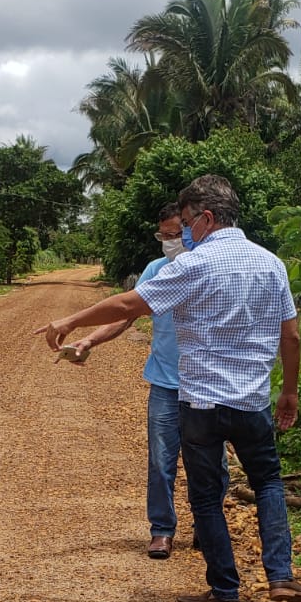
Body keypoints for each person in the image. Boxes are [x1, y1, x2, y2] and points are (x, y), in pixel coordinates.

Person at [36, 173, 301, 602]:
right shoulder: (272, 264)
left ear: (206, 218)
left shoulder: (193, 265)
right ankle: (280, 576)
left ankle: (225, 593)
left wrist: (71, 320)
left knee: (205, 497)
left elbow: (130, 305)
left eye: (186, 222)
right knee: (267, 484)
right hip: (252, 403)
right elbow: (293, 336)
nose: (184, 233)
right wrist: (290, 392)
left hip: (201, 403)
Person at [71, 203, 227, 559]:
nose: (170, 242)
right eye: (164, 236)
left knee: (211, 462)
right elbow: (126, 313)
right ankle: (162, 530)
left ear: (193, 230)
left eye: (176, 234)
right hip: (165, 383)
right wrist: (89, 339)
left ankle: (208, 528)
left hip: (206, 384)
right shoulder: (156, 271)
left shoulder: (211, 270)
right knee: (161, 460)